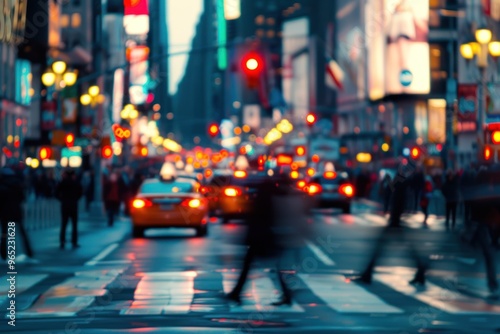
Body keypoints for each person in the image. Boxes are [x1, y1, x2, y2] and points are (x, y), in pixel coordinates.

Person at [226, 174, 298, 305]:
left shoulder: (263, 198)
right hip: (266, 236)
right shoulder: (274, 197)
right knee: (272, 267)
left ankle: (236, 293)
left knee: (251, 266)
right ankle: (236, 293)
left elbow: (258, 218)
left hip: (260, 238)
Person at [354, 162, 427, 285]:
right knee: (401, 248)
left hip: (395, 221)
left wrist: (394, 217)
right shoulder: (401, 182)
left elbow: (395, 198)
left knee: (381, 248)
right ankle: (420, 269)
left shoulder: (401, 183)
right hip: (395, 220)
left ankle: (368, 274)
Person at [0, 166, 34, 261]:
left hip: (4, 212)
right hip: (16, 211)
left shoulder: (2, 186)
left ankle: (3, 254)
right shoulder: (17, 184)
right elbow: (22, 198)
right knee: (22, 233)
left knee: (4, 234)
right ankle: (29, 252)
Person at [56, 170, 83, 249]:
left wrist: (62, 199)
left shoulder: (63, 183)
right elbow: (80, 192)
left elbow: (56, 193)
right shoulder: (76, 183)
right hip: (73, 205)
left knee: (64, 224)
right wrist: (75, 199)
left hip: (65, 205)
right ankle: (74, 241)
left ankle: (62, 241)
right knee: (74, 225)